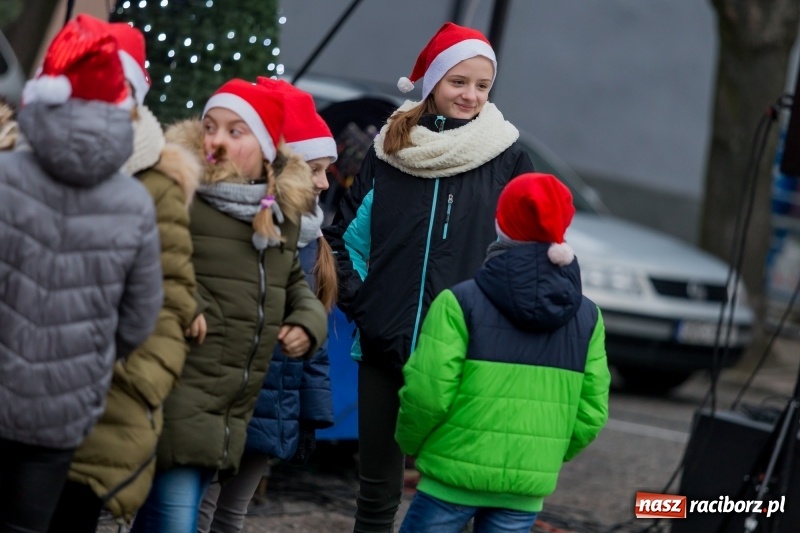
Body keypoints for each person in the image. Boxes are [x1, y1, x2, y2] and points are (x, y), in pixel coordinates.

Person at [322, 21, 535, 531]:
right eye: (458, 82)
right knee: (375, 494)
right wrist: (365, 305)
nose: (470, 95)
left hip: (466, 355)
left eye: (481, 85)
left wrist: (494, 324)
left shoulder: (507, 156)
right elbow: (342, 238)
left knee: (448, 494)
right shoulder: (389, 151)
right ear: (434, 81)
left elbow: (529, 252)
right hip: (383, 345)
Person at [131, 78, 328, 533]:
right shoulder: (183, 194)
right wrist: (187, 301)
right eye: (210, 126)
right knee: (177, 520)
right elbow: (150, 257)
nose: (216, 139)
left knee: (163, 517)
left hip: (230, 402)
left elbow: (296, 283)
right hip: (180, 389)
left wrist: (307, 319)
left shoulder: (280, 213)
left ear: (265, 149)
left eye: (235, 131)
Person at [0, 14, 163, 533]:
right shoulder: (135, 205)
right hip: (64, 410)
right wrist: (89, 353)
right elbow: (140, 321)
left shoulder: (4, 179)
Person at [46, 21, 202, 532]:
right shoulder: (26, 160)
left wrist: (134, 385)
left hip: (105, 401)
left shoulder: (156, 183)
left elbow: (171, 300)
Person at [394, 172, 611, 533]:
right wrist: (545, 453)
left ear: (501, 223)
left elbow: (427, 395)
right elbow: (592, 411)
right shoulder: (588, 318)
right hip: (525, 485)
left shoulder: (458, 303)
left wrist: (412, 444)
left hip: (450, 475)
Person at [197, 77, 338, 533]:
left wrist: (310, 412)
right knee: (199, 505)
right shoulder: (256, 229)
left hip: (274, 402)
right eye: (315, 169)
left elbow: (311, 333)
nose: (323, 182)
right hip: (229, 393)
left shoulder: (312, 241)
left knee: (230, 514)